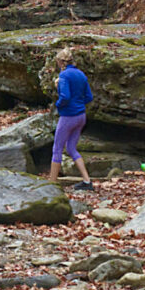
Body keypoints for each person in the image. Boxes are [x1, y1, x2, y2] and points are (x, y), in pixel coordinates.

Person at [48, 47, 94, 190]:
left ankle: (51, 184)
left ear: (61, 62)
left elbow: (65, 96)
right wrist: (78, 103)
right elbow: (89, 97)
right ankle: (87, 181)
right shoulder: (81, 74)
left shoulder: (64, 76)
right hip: (81, 116)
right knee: (71, 148)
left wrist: (57, 104)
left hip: (68, 116)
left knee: (57, 149)